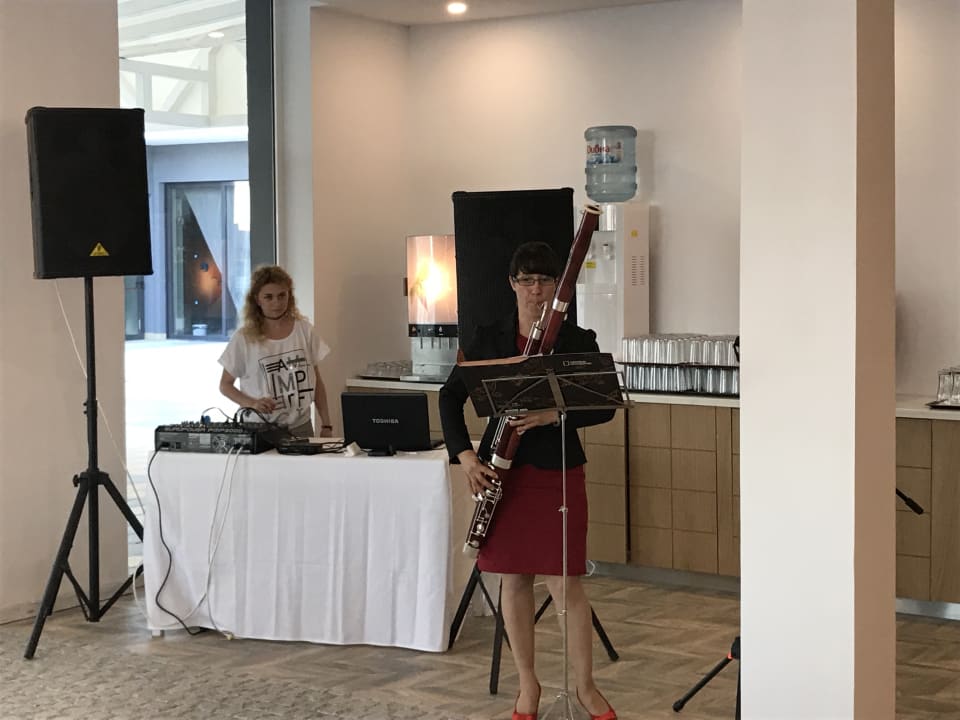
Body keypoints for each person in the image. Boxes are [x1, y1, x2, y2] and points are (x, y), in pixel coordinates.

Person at [438, 242, 617, 720]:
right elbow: (449, 397)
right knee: (514, 580)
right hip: (503, 474)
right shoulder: (489, 338)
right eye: (527, 281)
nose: (536, 290)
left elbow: (603, 406)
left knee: (566, 583)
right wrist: (465, 457)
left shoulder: (576, 339)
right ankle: (527, 687)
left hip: (558, 473)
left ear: (558, 287)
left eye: (545, 281)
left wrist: (554, 414)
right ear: (512, 285)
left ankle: (585, 688)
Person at [218, 265, 333, 439]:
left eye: (281, 296)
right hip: (260, 428)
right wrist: (252, 403)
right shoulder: (243, 338)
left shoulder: (305, 331)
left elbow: (316, 381)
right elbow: (225, 385)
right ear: (257, 300)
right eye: (268, 297)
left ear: (289, 296)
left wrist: (326, 424)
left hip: (300, 426)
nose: (276, 303)